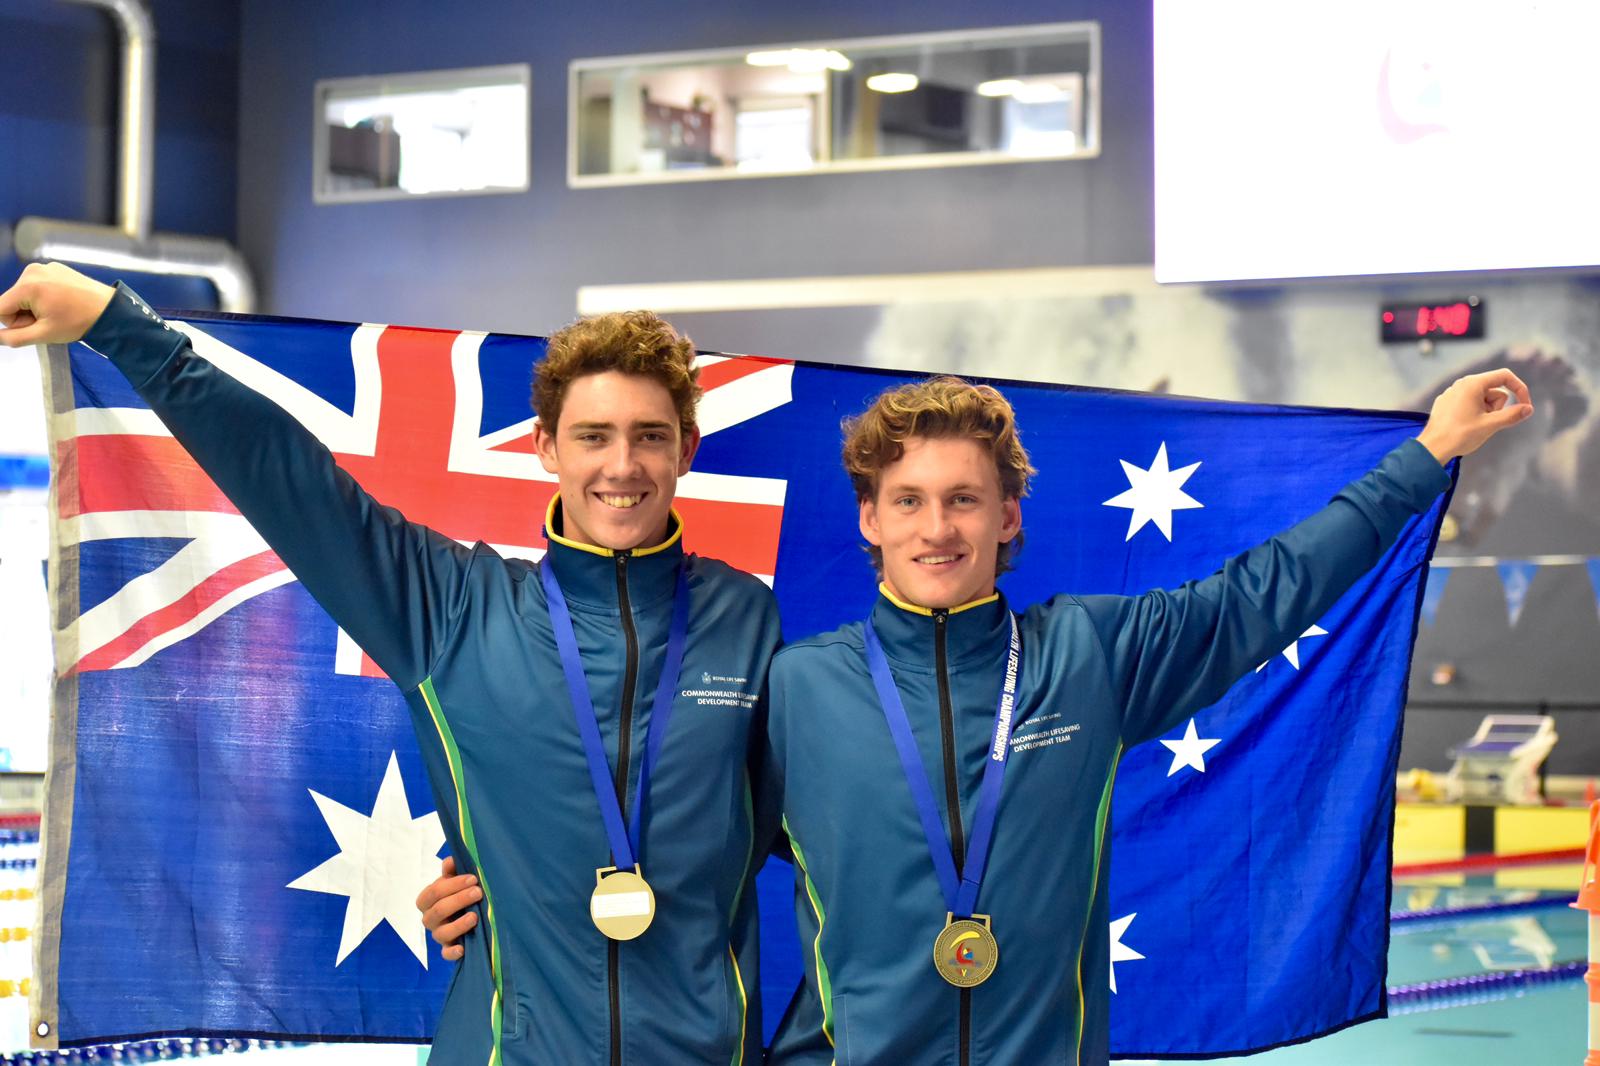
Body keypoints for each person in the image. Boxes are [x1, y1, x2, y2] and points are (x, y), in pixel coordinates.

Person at [0, 262, 782, 1066]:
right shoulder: (451, 609)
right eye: (593, 436)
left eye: (649, 436)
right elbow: (288, 478)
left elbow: (838, 827)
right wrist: (116, 322)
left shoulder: (746, 620)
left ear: (686, 447)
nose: (622, 466)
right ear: (546, 446)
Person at [757, 374, 1527, 1065]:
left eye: (964, 498)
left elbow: (1266, 591)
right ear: (870, 519)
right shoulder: (801, 687)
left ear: (1006, 516)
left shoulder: (1090, 655)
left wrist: (1432, 450)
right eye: (909, 501)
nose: (936, 528)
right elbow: (700, 862)